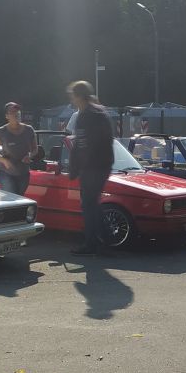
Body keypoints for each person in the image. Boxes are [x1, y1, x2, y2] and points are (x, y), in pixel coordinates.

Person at [66, 80, 114, 255]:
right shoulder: (99, 112)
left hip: (93, 167)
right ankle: (105, 240)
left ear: (79, 96)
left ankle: (91, 244)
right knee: (93, 203)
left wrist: (77, 167)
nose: (72, 99)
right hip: (102, 165)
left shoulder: (88, 115)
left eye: (73, 96)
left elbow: (84, 144)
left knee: (88, 205)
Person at [0, 101, 37, 195]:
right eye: (12, 112)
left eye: (18, 112)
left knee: (20, 199)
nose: (16, 114)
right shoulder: (1, 131)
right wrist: (3, 160)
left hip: (23, 173)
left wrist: (29, 156)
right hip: (6, 173)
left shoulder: (29, 130)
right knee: (10, 199)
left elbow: (35, 149)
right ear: (7, 116)